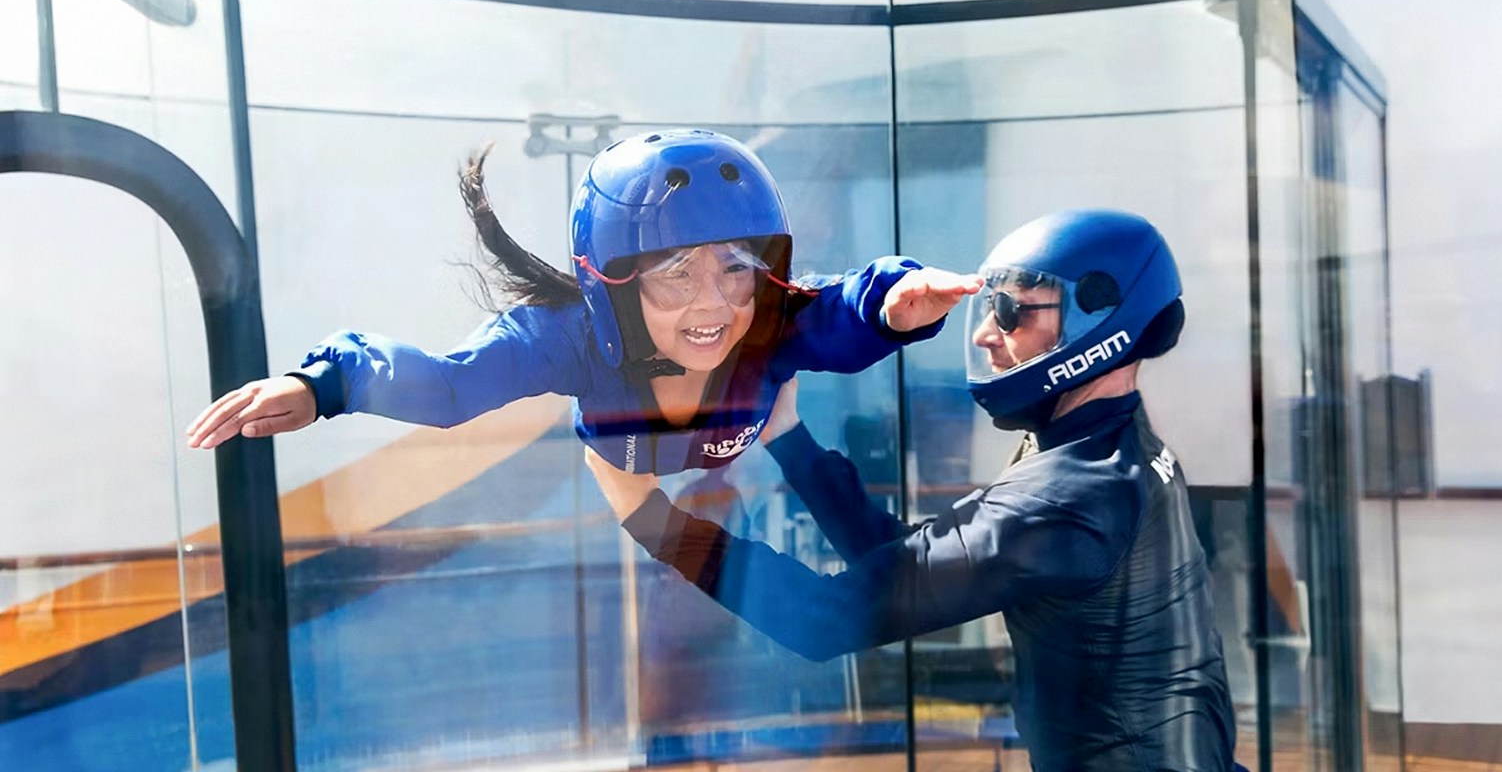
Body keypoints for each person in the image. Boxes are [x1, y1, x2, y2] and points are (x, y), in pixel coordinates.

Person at [585, 209, 1307, 772]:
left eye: (1015, 312)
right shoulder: (1108, 449)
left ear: (1101, 320)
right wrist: (790, 441)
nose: (988, 333)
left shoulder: (1066, 494)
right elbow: (913, 566)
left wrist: (654, 521)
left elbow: (824, 619)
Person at [186, 129, 980, 474]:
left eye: (736, 269)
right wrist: (325, 385)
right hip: (622, 467)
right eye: (676, 274)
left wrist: (893, 302)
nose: (714, 304)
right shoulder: (565, 339)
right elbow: (450, 385)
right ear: (611, 286)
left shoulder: (767, 323)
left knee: (790, 333)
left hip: (726, 453)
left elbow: (838, 309)